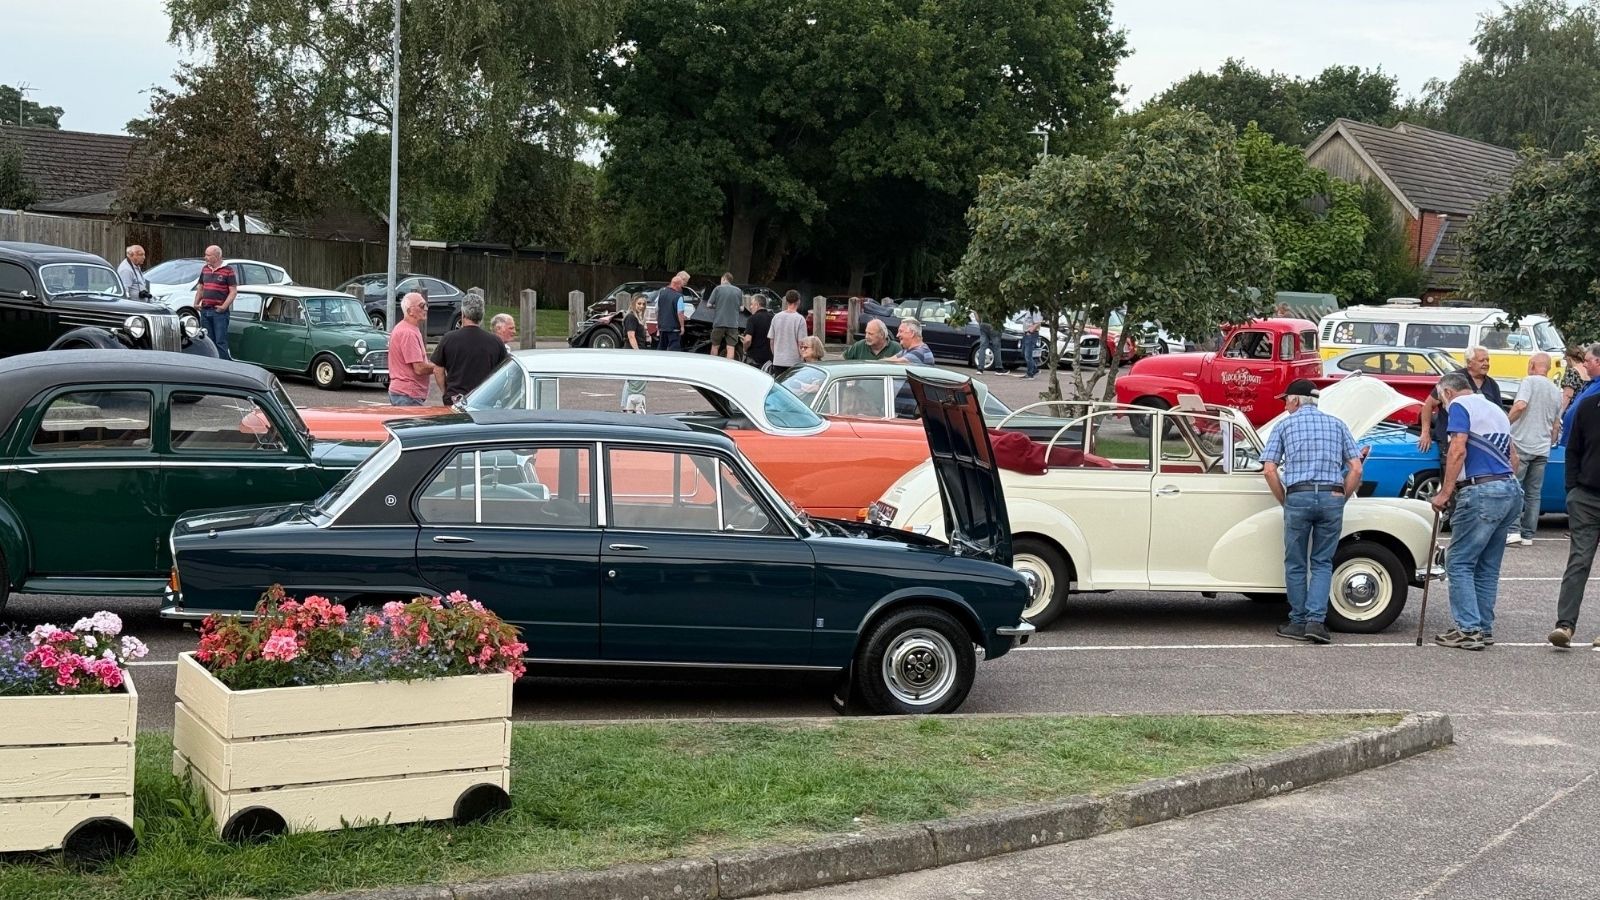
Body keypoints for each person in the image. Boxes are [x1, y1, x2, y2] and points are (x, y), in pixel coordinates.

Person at [1259, 379, 1362, 645]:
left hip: (1298, 495)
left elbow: (1269, 469)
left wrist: (1284, 499)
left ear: (1295, 400)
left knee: (1295, 562)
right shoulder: (1338, 424)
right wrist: (1343, 497)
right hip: (1332, 496)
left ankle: (1298, 621)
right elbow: (1356, 468)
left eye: (1286, 401)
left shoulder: (1284, 425)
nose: (1285, 405)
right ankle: (1316, 622)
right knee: (1322, 562)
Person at [1429, 370, 1522, 651]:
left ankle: (1468, 629)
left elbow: (1458, 449)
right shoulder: (1494, 408)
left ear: (1447, 392)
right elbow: (1513, 455)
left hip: (1481, 490)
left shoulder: (1459, 406)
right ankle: (1483, 626)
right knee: (1487, 567)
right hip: (1509, 487)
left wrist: (1445, 492)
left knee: (1458, 561)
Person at [1553, 344, 1600, 648]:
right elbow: (1573, 450)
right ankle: (1565, 626)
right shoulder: (1587, 406)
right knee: (1579, 562)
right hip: (1586, 495)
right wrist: (1572, 490)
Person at [1506, 352, 1562, 547]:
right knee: (1534, 493)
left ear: (1532, 365)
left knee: (1515, 488)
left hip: (1522, 443)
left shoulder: (1529, 381)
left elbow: (1520, 405)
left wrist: (1505, 423)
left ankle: (1512, 530)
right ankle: (1528, 534)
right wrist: (1549, 442)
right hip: (1542, 447)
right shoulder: (1556, 391)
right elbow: (1556, 424)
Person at [1418, 346, 1501, 455]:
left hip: (1477, 443)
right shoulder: (1452, 379)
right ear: (1469, 362)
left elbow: (1498, 412)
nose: (1486, 363)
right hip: (1450, 441)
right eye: (1482, 360)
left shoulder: (1492, 384)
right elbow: (1428, 405)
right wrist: (1425, 433)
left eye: (1487, 360)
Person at [430, 295, 508, 405]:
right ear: (482, 315)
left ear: (463, 314)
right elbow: (504, 372)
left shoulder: (448, 339)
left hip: (455, 400)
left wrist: (445, 392)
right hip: (484, 400)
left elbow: (437, 370)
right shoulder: (495, 342)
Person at [387, 292, 435, 406]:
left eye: (426, 305)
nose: (426, 309)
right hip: (407, 395)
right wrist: (440, 366)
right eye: (422, 306)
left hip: (405, 394)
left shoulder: (408, 328)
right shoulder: (408, 333)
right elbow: (419, 368)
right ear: (410, 311)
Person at [193, 245, 237, 360]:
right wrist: (196, 302)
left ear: (217, 256)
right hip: (205, 310)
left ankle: (223, 366)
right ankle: (210, 365)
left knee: (220, 341)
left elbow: (233, 291)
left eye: (208, 255)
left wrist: (223, 307)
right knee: (208, 341)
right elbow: (201, 287)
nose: (205, 257)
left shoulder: (228, 270)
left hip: (219, 313)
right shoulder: (205, 269)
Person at [1560, 345, 1600, 447]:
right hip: (1573, 442)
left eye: (1587, 361)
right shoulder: (1591, 383)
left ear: (1598, 362)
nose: (1584, 365)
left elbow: (1567, 396)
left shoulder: (1596, 385)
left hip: (1586, 446)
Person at [620, 293, 650, 413]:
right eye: (639, 303)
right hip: (632, 352)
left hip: (637, 350)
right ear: (633, 304)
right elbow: (631, 336)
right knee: (632, 379)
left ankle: (628, 405)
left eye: (643, 304)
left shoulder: (638, 317)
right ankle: (628, 406)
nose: (641, 306)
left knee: (631, 379)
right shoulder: (631, 317)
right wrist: (638, 353)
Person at [705, 272, 745, 359]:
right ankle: (728, 368)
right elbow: (742, 308)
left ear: (723, 278)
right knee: (731, 347)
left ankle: (713, 364)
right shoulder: (738, 290)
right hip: (733, 324)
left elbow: (708, 305)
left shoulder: (718, 289)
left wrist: (717, 305)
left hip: (719, 322)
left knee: (715, 345)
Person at [768, 291, 808, 376]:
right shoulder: (800, 319)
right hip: (794, 361)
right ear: (798, 301)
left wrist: (776, 355)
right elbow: (802, 342)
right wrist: (802, 358)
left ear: (786, 301)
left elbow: (772, 341)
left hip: (778, 360)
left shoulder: (776, 317)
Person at [654, 271, 690, 351]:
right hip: (674, 328)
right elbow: (680, 313)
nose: (684, 286)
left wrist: (659, 323)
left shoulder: (662, 292)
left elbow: (657, 309)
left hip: (663, 327)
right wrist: (682, 327)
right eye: (685, 283)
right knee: (674, 350)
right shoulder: (678, 296)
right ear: (680, 281)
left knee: (661, 348)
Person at [742, 295, 774, 369]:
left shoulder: (752, 319)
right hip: (769, 359)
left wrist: (744, 349)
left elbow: (747, 340)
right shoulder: (773, 318)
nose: (750, 307)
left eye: (752, 304)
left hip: (754, 359)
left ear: (757, 305)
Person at [1014, 308, 1043, 378]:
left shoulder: (1035, 310)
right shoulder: (1029, 310)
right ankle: (1034, 369)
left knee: (1028, 355)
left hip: (1031, 334)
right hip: (1026, 334)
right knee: (1024, 353)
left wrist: (1030, 331)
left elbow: (1038, 323)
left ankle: (1030, 373)